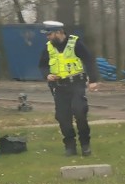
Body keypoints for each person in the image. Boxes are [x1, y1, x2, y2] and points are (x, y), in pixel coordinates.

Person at [38, 21, 100, 156]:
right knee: (63, 117)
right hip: (59, 87)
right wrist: (47, 75)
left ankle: (85, 144)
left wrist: (93, 80)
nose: (48, 37)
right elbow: (42, 65)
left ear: (59, 32)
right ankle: (70, 145)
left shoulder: (75, 43)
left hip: (76, 84)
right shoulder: (48, 48)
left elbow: (89, 60)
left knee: (80, 112)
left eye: (50, 34)